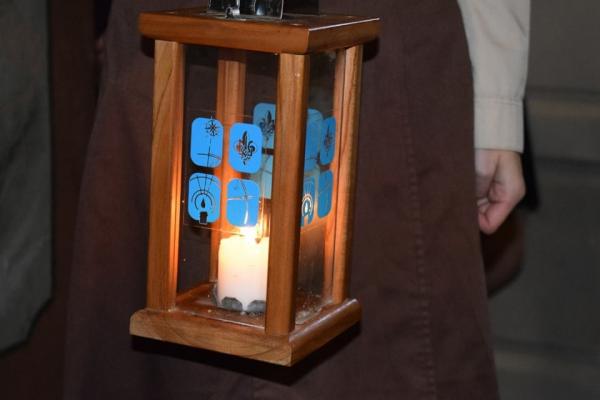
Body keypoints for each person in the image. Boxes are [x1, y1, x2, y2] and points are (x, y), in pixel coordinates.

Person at [63, 0, 530, 399]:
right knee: (166, 363)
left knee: (371, 362)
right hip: (175, 31)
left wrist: (496, 106)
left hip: (375, 46)